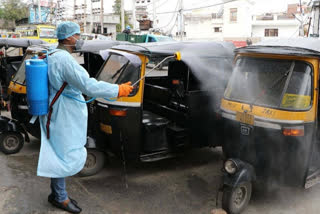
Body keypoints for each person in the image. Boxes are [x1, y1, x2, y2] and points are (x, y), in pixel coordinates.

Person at [37, 21, 133, 213]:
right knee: (64, 154)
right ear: (67, 38)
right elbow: (89, 86)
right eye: (77, 35)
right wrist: (118, 90)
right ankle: (60, 198)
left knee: (58, 152)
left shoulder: (52, 53)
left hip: (57, 109)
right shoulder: (64, 60)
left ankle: (57, 193)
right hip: (64, 113)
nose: (79, 39)